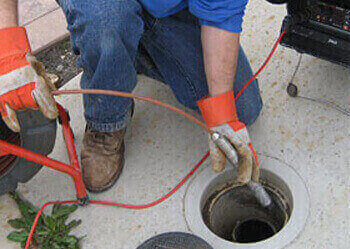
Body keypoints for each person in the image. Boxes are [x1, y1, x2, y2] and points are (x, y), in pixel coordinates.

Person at [0, 0, 262, 193]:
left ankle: (129, 55)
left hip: (165, 8)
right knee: (107, 25)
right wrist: (8, 52)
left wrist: (221, 112)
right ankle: (106, 121)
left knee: (243, 107)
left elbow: (218, 13)